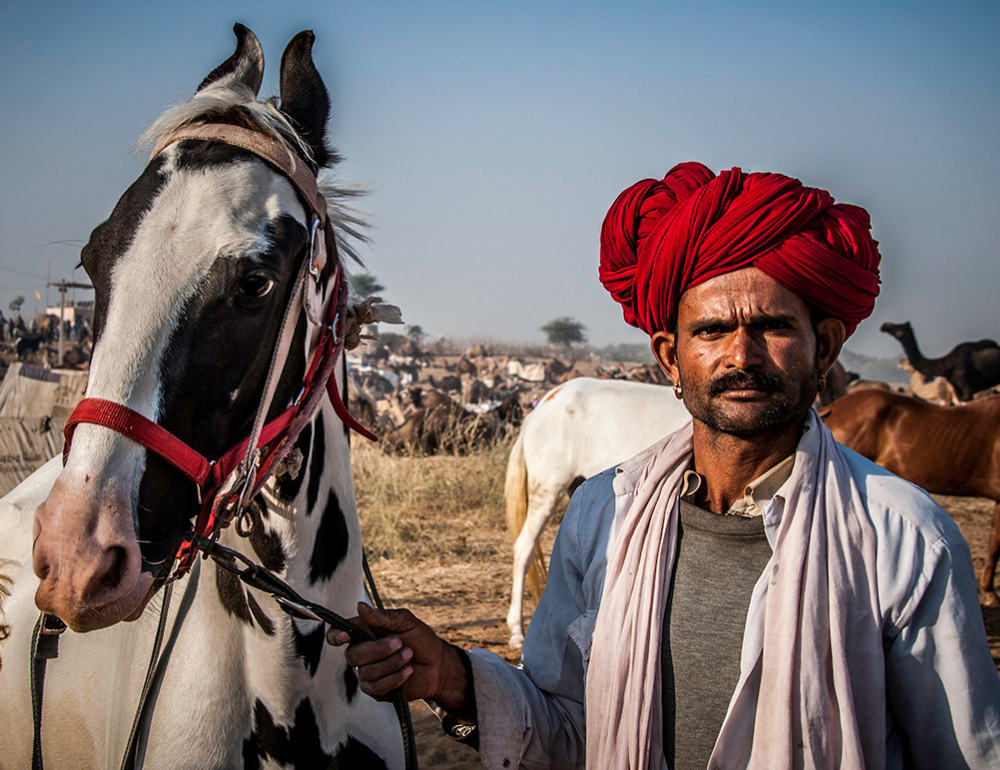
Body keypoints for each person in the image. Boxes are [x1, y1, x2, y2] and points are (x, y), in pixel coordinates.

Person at [329, 163, 1000, 769]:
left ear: (822, 347)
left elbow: (966, 755)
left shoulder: (903, 537)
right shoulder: (604, 514)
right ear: (670, 358)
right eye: (710, 331)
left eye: (771, 326)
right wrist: (447, 673)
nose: (742, 355)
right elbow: (567, 728)